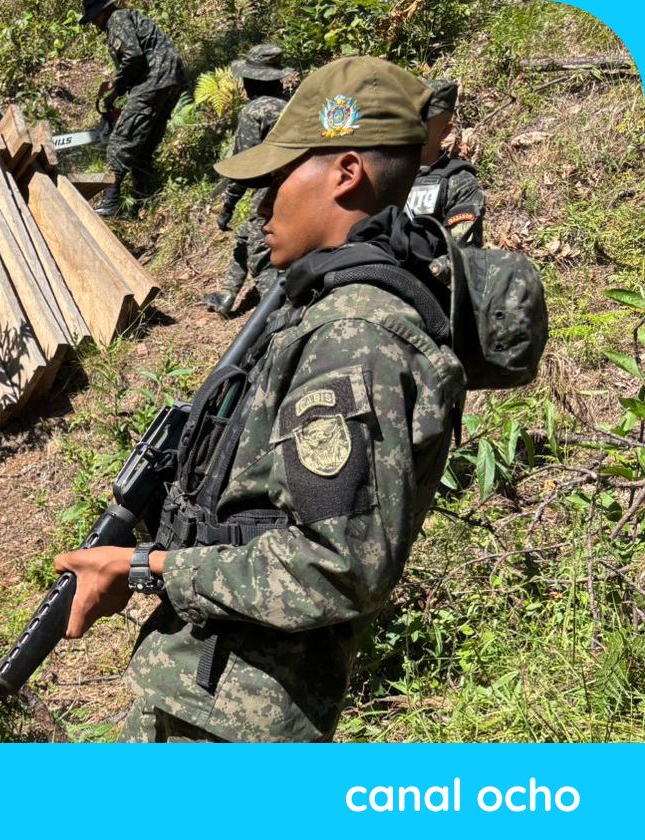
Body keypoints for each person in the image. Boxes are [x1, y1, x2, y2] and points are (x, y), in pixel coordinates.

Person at [54, 57, 467, 741]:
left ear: (345, 173)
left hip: (235, 721)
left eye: (278, 177)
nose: (263, 202)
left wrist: (145, 568)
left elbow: (337, 564)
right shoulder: (320, 313)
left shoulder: (354, 335)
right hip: (207, 695)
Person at [205, 44, 295, 317]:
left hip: (269, 192)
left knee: (261, 256)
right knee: (244, 238)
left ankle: (278, 315)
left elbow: (245, 166)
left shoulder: (254, 111)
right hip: (295, 185)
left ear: (251, 81)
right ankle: (227, 294)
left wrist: (229, 205)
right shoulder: (290, 107)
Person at [80, 0, 186, 218]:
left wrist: (113, 85)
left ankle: (110, 202)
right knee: (143, 145)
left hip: (155, 79)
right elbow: (136, 64)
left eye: (94, 18)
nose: (95, 24)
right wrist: (115, 94)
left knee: (119, 142)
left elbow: (134, 56)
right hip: (172, 79)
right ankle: (143, 198)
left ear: (103, 10)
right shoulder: (130, 18)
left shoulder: (117, 19)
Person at [408, 78, 486, 246]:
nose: (411, 131)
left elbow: (465, 256)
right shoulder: (382, 170)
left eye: (422, 125)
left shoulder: (458, 182)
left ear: (445, 131)